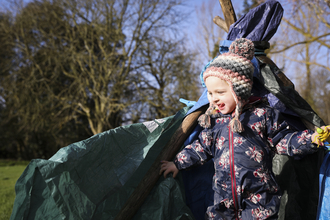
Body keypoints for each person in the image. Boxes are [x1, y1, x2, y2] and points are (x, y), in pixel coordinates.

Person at [159, 38, 326, 220]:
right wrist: (177, 163)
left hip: (259, 200)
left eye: (220, 92)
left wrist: (311, 139)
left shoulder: (263, 115)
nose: (213, 98)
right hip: (223, 200)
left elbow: (283, 140)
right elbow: (200, 148)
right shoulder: (214, 121)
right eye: (210, 93)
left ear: (239, 90)